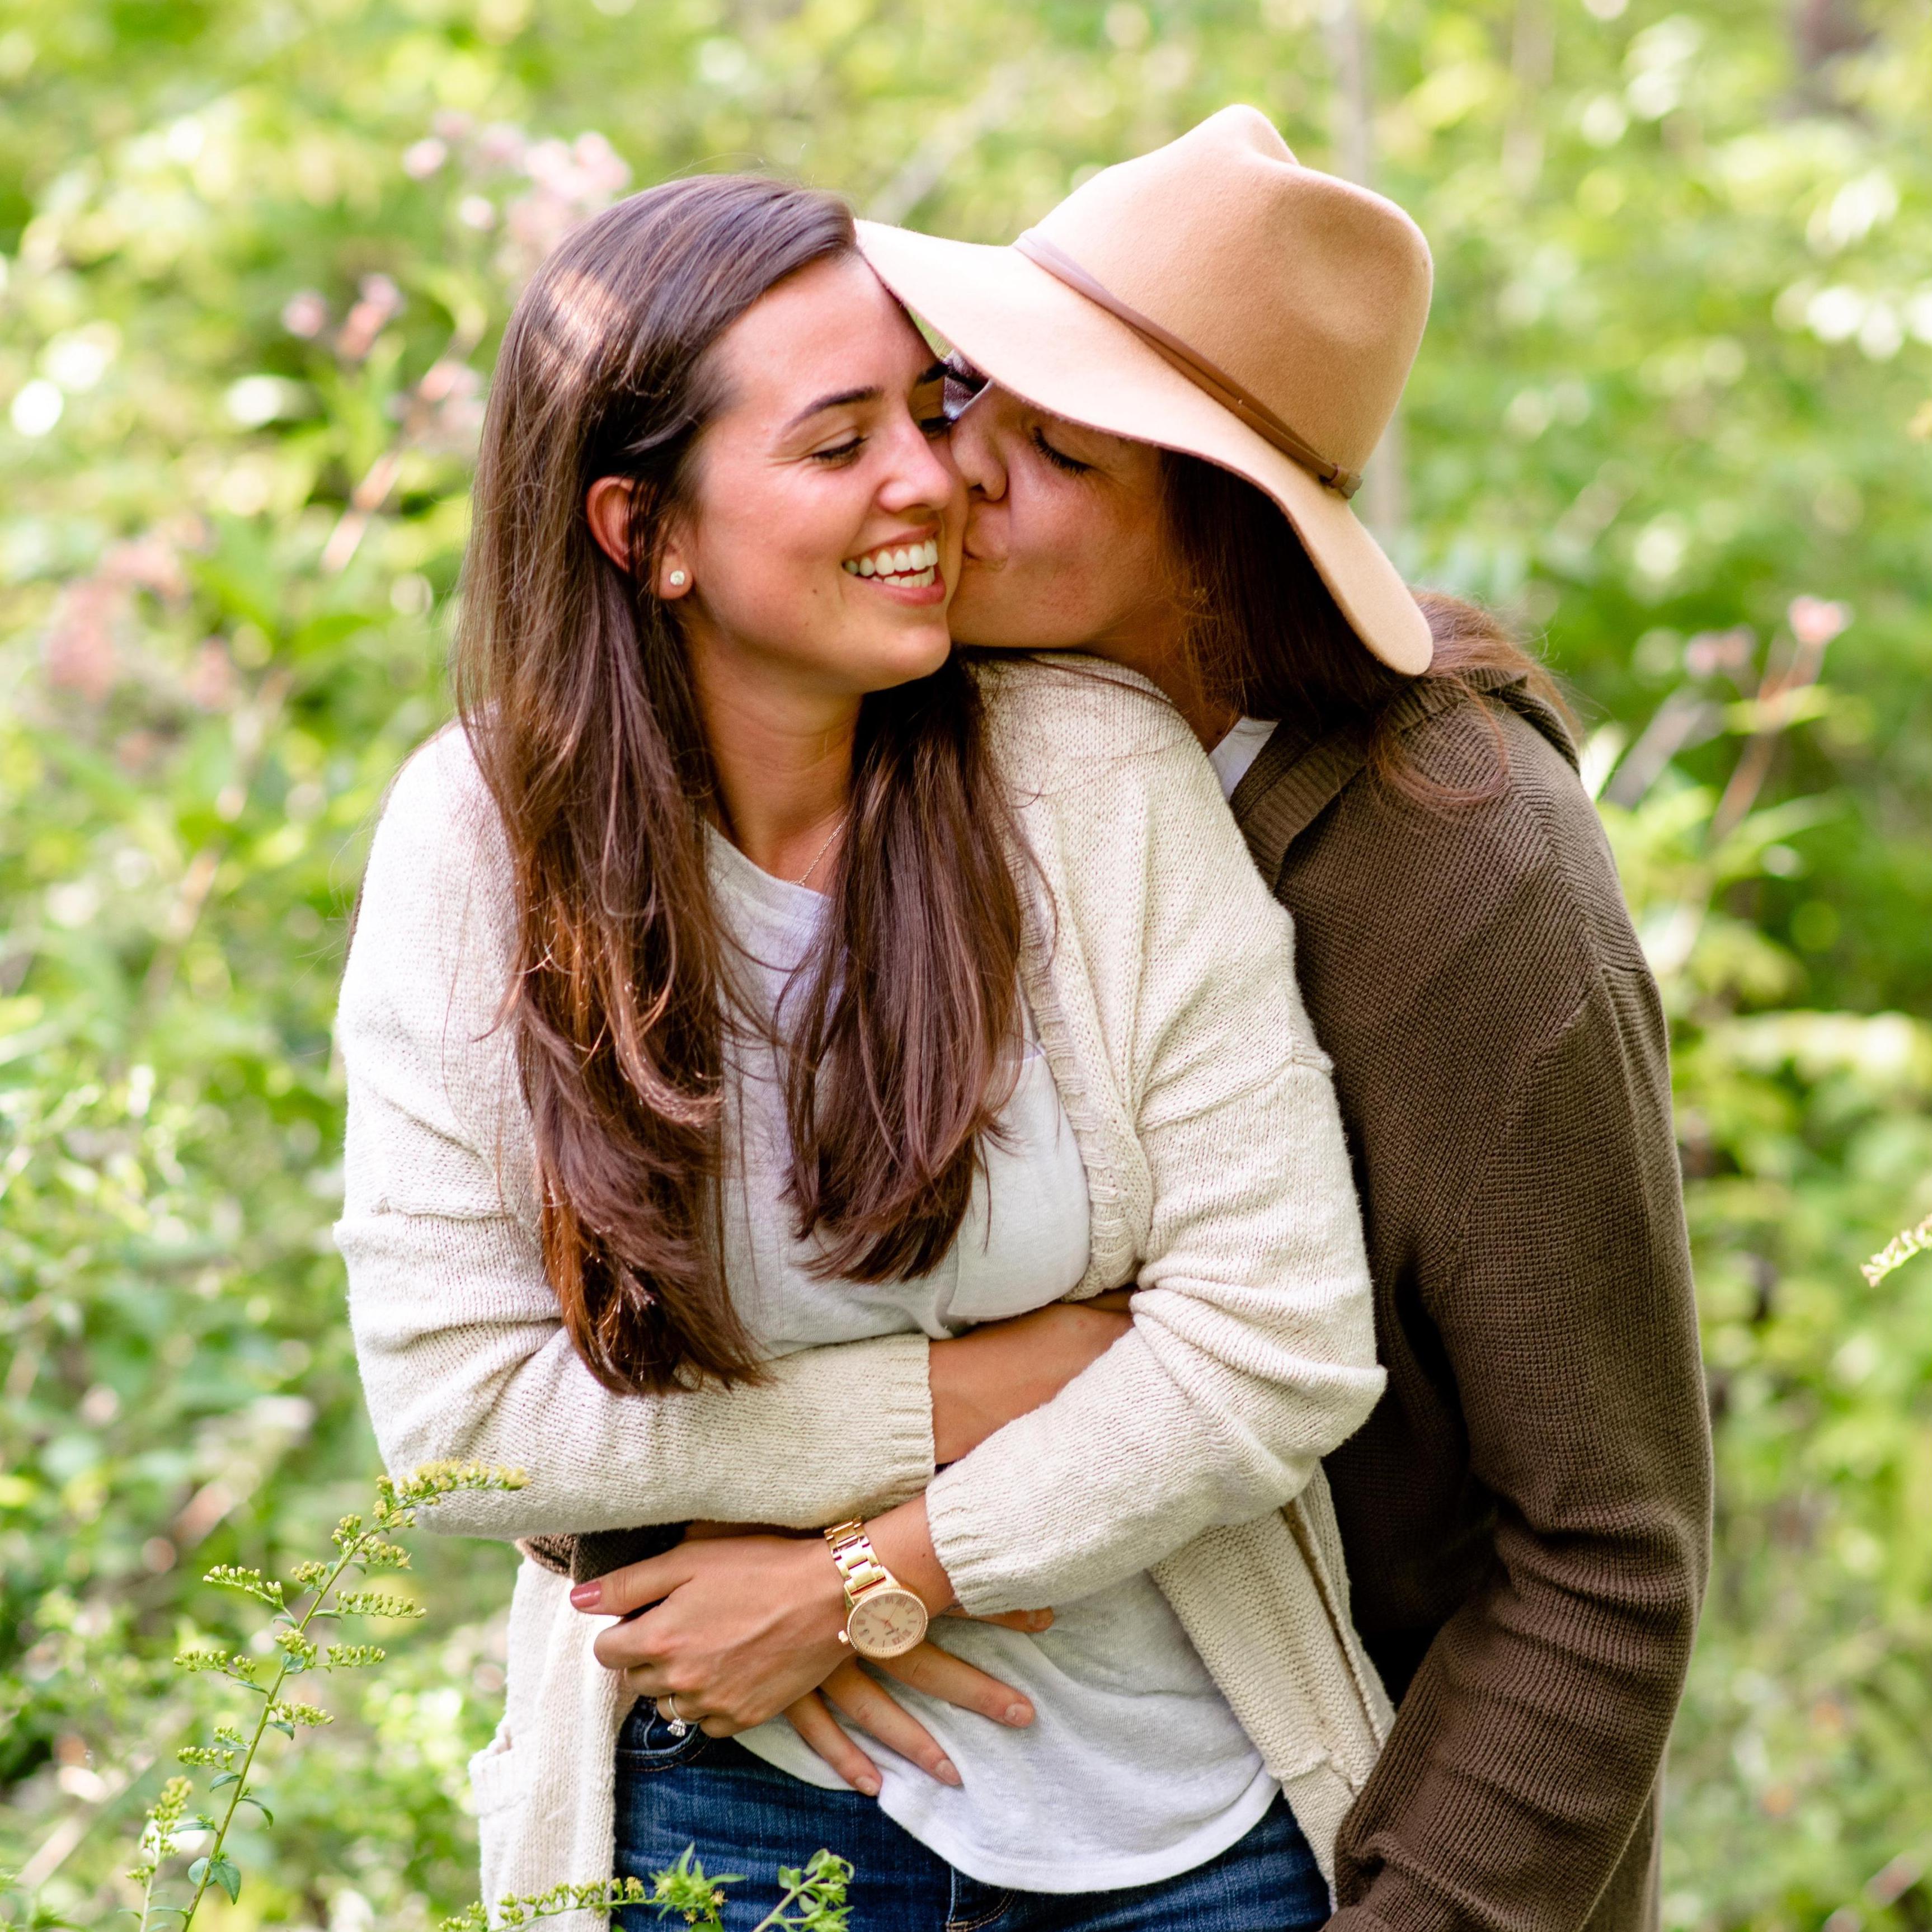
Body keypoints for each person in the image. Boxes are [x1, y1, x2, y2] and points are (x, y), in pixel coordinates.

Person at [337, 171, 1392, 1932]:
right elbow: (462, 1412)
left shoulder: (1087, 778)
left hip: (1182, 1834)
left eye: (927, 407)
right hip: (723, 1798)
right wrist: (963, 1394)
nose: (929, 482)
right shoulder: (482, 840)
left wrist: (865, 1579)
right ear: (642, 530)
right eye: (838, 447)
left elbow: (1280, 1338)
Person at [847, 104, 1715, 1931]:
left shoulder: (1466, 879)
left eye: (1058, 449)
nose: (955, 474)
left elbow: (1606, 1547)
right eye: (960, 398)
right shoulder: (901, 731)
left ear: (1227, 535)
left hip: (1356, 1838)